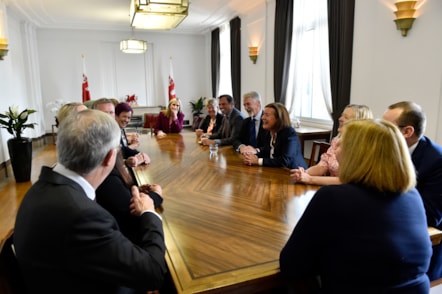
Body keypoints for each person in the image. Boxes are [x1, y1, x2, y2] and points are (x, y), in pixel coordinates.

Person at [13, 109, 167, 293]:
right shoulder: (82, 215)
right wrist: (149, 211)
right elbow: (153, 273)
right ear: (110, 157)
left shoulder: (40, 187)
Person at [280, 119, 432, 293]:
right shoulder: (413, 196)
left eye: (341, 145)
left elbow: (291, 264)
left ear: (356, 154)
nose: (335, 150)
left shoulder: (334, 197)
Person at [383, 101, 442, 281]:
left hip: (423, 243)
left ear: (407, 131)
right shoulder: (387, 149)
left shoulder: (436, 160)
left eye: (386, 127)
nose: (380, 131)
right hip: (389, 228)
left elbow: (432, 215)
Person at [290, 104, 373, 185]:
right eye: (342, 116)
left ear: (359, 124)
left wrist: (310, 179)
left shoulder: (364, 149)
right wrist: (304, 173)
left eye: (346, 117)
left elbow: (346, 181)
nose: (340, 119)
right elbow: (322, 166)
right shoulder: (336, 141)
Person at [96, 150, 163, 245]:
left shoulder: (104, 168)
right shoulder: (105, 174)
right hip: (131, 241)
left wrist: (135, 190)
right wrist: (156, 195)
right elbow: (133, 211)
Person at [242, 103, 306, 169]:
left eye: (267, 115)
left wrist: (258, 161)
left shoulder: (289, 133)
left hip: (294, 173)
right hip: (276, 171)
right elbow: (267, 151)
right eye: (263, 114)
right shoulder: (270, 132)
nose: (262, 117)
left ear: (278, 118)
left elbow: (285, 160)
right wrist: (253, 156)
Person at [94, 99, 149, 167]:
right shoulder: (95, 133)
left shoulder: (115, 129)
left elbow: (122, 149)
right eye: (105, 113)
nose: (109, 116)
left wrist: (140, 155)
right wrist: (126, 162)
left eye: (111, 112)